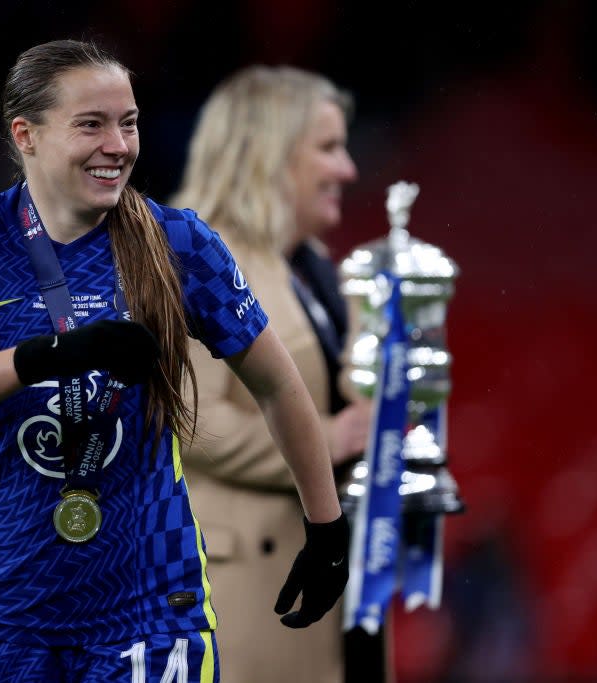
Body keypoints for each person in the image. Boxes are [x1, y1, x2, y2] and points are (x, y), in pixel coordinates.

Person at [0, 40, 349, 683]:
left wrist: (326, 528)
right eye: (91, 124)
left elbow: (278, 385)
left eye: (128, 122)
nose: (119, 144)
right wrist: (54, 354)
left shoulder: (180, 242)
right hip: (2, 614)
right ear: (26, 134)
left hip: (150, 609)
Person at [171, 65, 377, 682]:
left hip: (317, 568)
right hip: (241, 591)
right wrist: (330, 439)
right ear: (270, 151)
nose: (348, 170)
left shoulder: (313, 268)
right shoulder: (194, 258)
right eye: (328, 148)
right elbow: (192, 420)